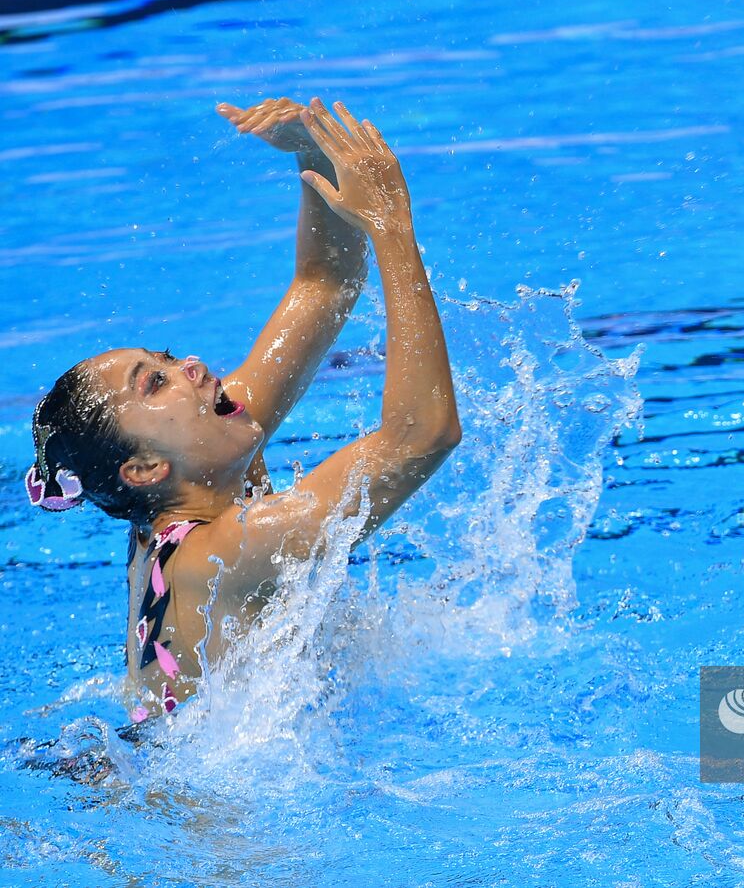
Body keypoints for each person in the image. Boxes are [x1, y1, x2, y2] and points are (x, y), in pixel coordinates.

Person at [25, 98, 460, 723]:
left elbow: (324, 286)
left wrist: (312, 162)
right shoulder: (219, 551)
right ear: (144, 468)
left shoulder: (193, 477)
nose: (193, 366)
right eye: (155, 383)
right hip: (201, 813)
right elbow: (422, 435)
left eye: (168, 358)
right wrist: (391, 226)